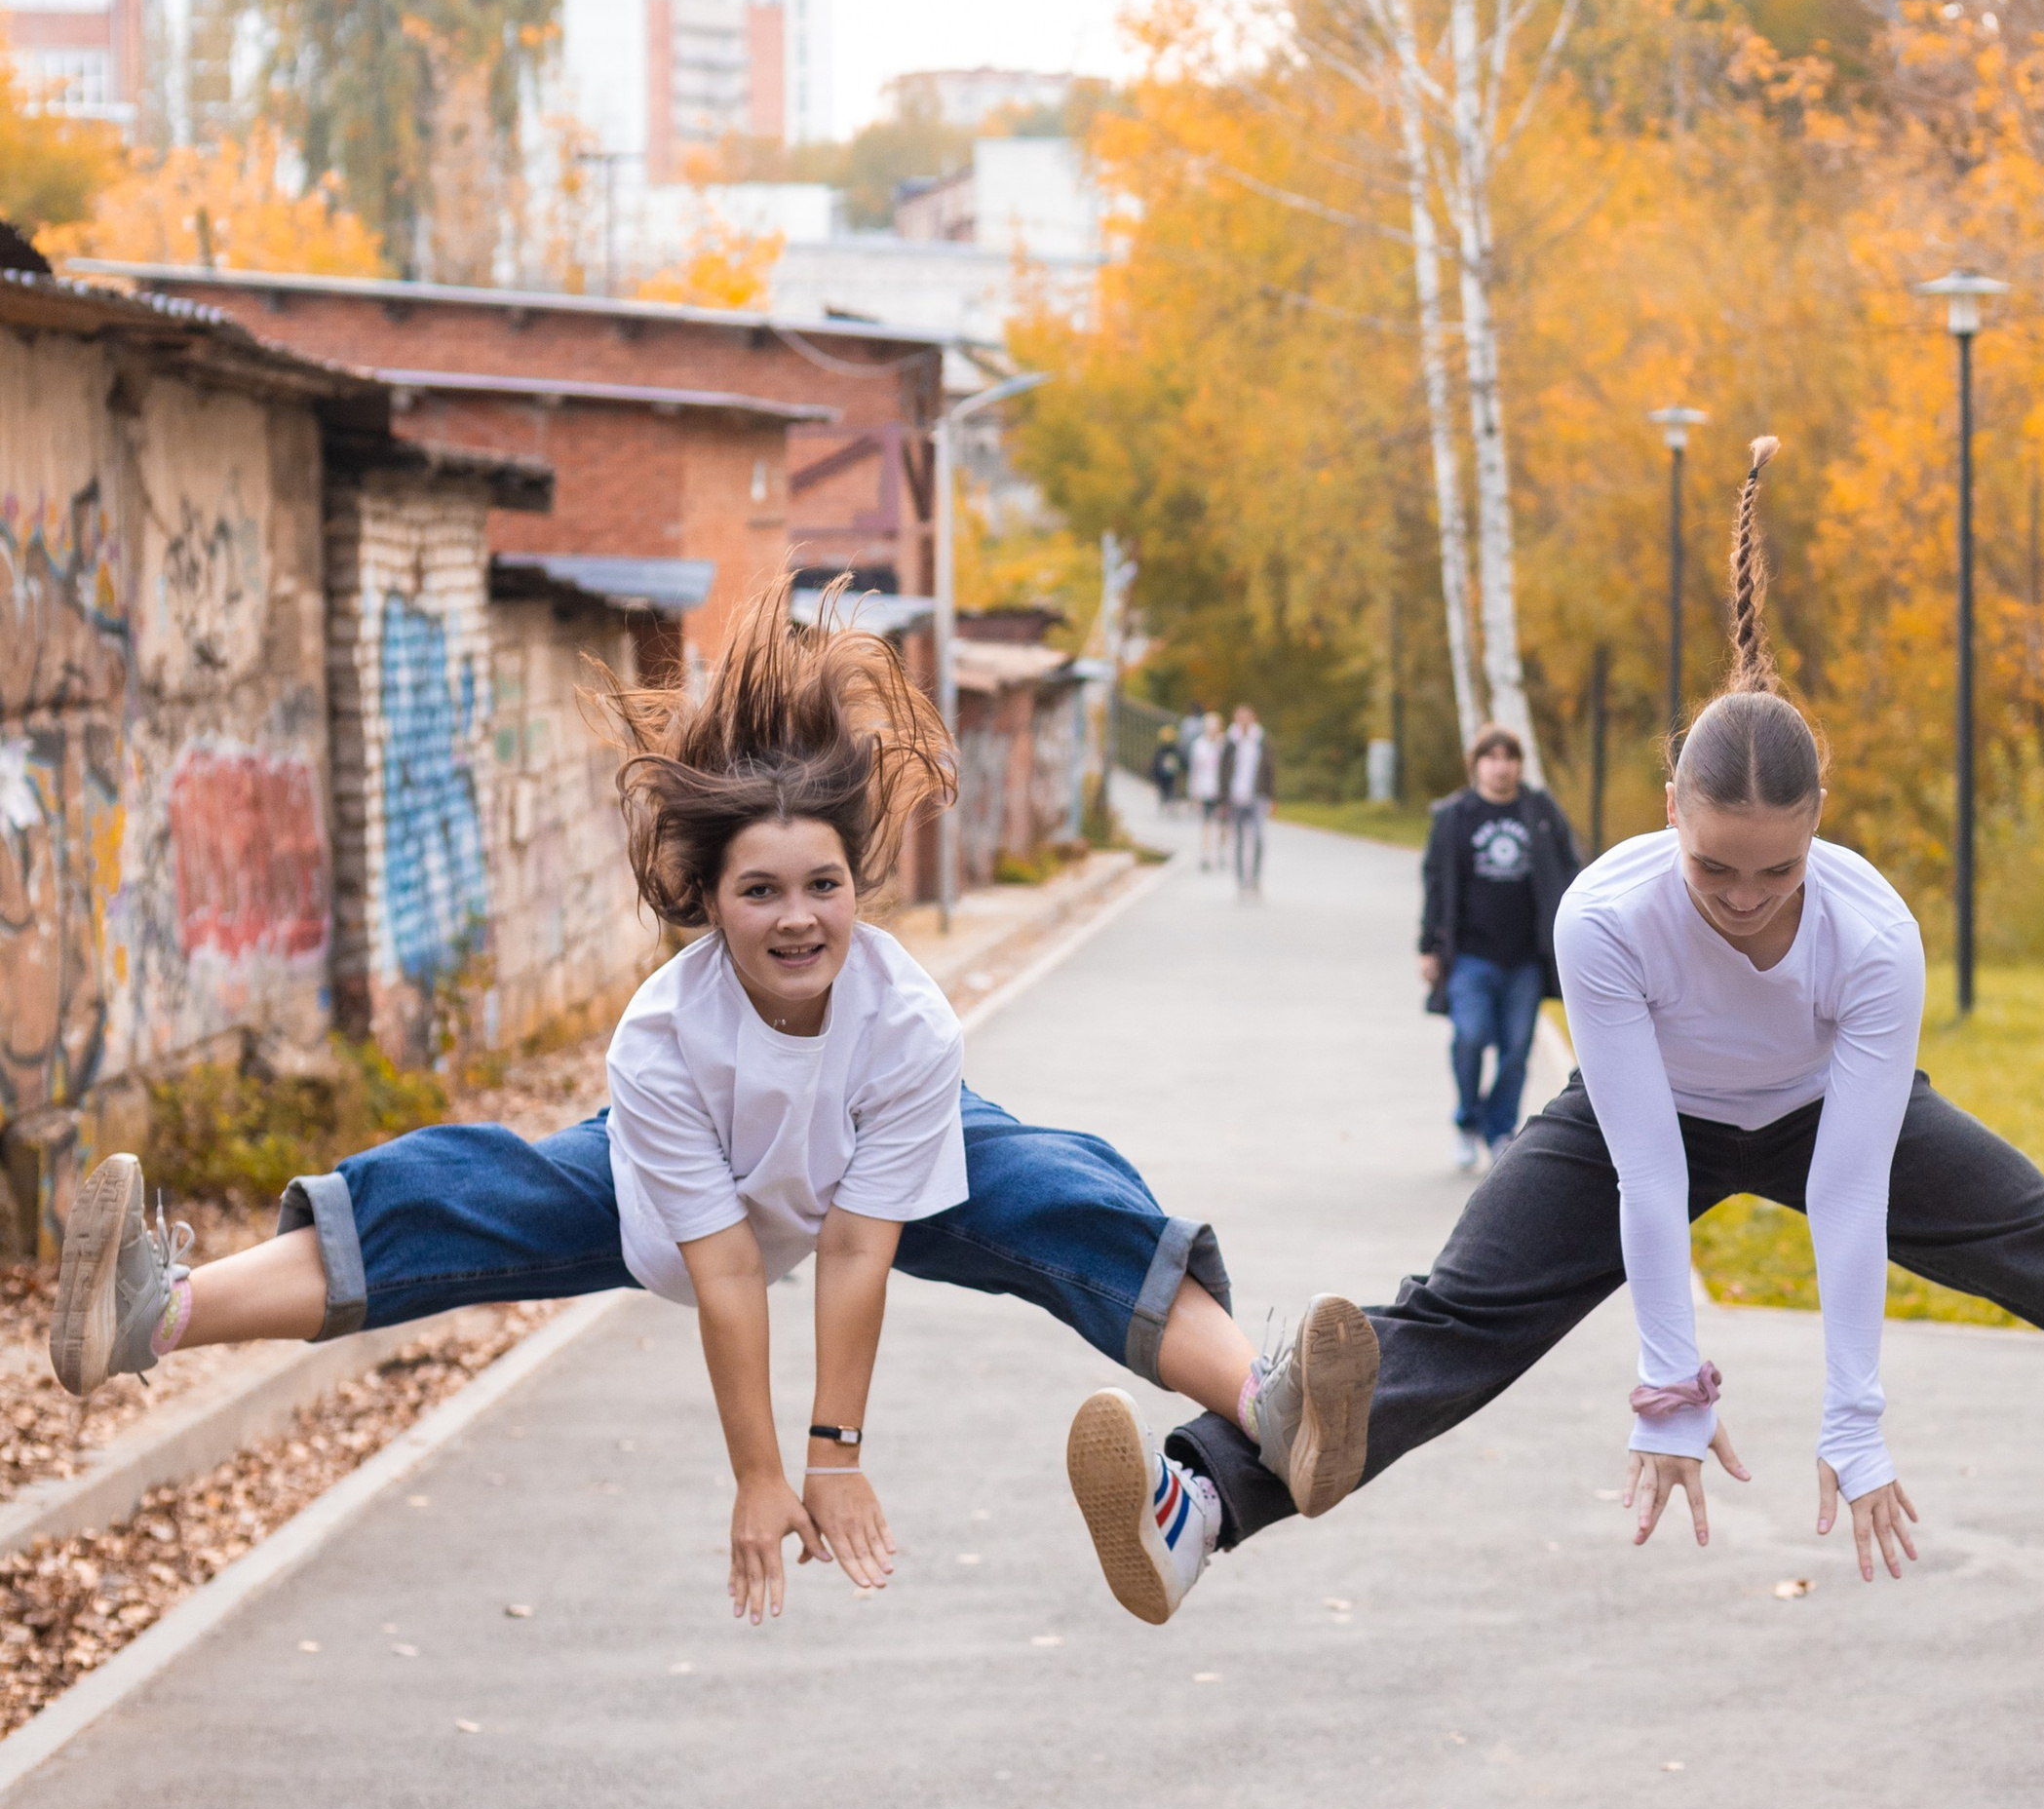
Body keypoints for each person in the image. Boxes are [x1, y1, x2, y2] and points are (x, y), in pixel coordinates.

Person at [1062, 438, 2044, 1625]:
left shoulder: (1871, 939)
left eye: (1777, 871)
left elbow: (1850, 1191)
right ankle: (1202, 1505)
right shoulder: (1606, 917)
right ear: (1667, 816)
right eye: (1715, 868)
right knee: (1463, 1310)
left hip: (1823, 1105)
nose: (1746, 901)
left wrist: (1853, 1417)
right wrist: (1668, 1389)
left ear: (1821, 827)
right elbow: (1647, 1172)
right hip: (1652, 1115)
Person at [50, 577, 1377, 1622]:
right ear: (707, 902)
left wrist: (833, 1453)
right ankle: (155, 1312)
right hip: (684, 1187)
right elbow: (731, 1269)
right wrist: (762, 1474)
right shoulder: (662, 1040)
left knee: (1057, 1187)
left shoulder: (906, 1020)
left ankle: (1267, 1406)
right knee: (458, 1193)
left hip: (869, 1161)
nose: (799, 919)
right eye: (761, 892)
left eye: (823, 887)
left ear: (856, 886)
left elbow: (853, 1248)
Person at [1420, 725, 1581, 1174]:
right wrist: (1429, 947)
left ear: (1519, 764)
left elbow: (1570, 869)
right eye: (1491, 757)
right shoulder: (1455, 816)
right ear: (1476, 765)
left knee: (1515, 1050)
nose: (1501, 766)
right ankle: (1467, 1121)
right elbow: (1436, 883)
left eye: (1509, 757)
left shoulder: (1539, 810)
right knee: (1469, 1038)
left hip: (1525, 959)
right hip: (1469, 956)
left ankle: (1499, 1130)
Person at [1222, 702, 1274, 895]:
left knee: (1258, 838)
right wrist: (1223, 799)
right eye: (1239, 717)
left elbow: (1270, 769)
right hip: (1235, 796)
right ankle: (1240, 881)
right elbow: (1223, 771)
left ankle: (1255, 878)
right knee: (1238, 841)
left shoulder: (1261, 739)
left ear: (1253, 718)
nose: (1243, 720)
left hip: (1256, 795)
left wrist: (1271, 796)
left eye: (1246, 717)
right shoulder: (1230, 741)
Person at [1185, 705, 1226, 870]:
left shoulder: (1224, 744)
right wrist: (1193, 793)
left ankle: (1222, 851)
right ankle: (1205, 855)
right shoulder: (1198, 745)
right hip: (1205, 789)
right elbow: (1194, 770)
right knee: (1206, 823)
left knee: (1223, 825)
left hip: (1221, 790)